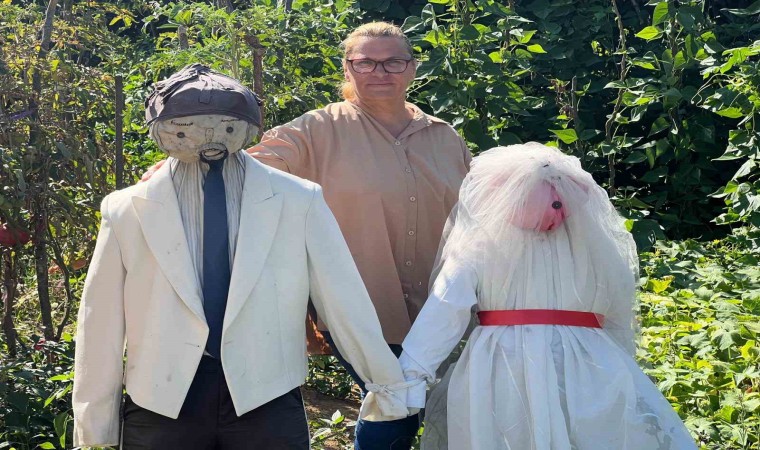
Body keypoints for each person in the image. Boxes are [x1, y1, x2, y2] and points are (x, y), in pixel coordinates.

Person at [143, 21, 471, 450]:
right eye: (365, 62)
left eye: (393, 62)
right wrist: (183, 168)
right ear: (347, 68)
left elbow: (476, 208)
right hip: (360, 306)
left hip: (440, 308)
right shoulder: (316, 130)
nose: (380, 72)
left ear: (412, 68)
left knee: (431, 407)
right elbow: (246, 166)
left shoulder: (444, 137)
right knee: (395, 407)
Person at [72, 64, 411, 450]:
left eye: (223, 125)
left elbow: (343, 299)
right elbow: (100, 321)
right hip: (160, 398)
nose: (208, 135)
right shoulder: (126, 208)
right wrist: (94, 425)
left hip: (266, 393)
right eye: (188, 126)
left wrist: (385, 385)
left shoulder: (297, 199)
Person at [398, 143, 698, 449]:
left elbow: (446, 307)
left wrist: (411, 373)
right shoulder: (590, 245)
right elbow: (616, 306)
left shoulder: (479, 244)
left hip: (504, 358)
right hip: (586, 360)